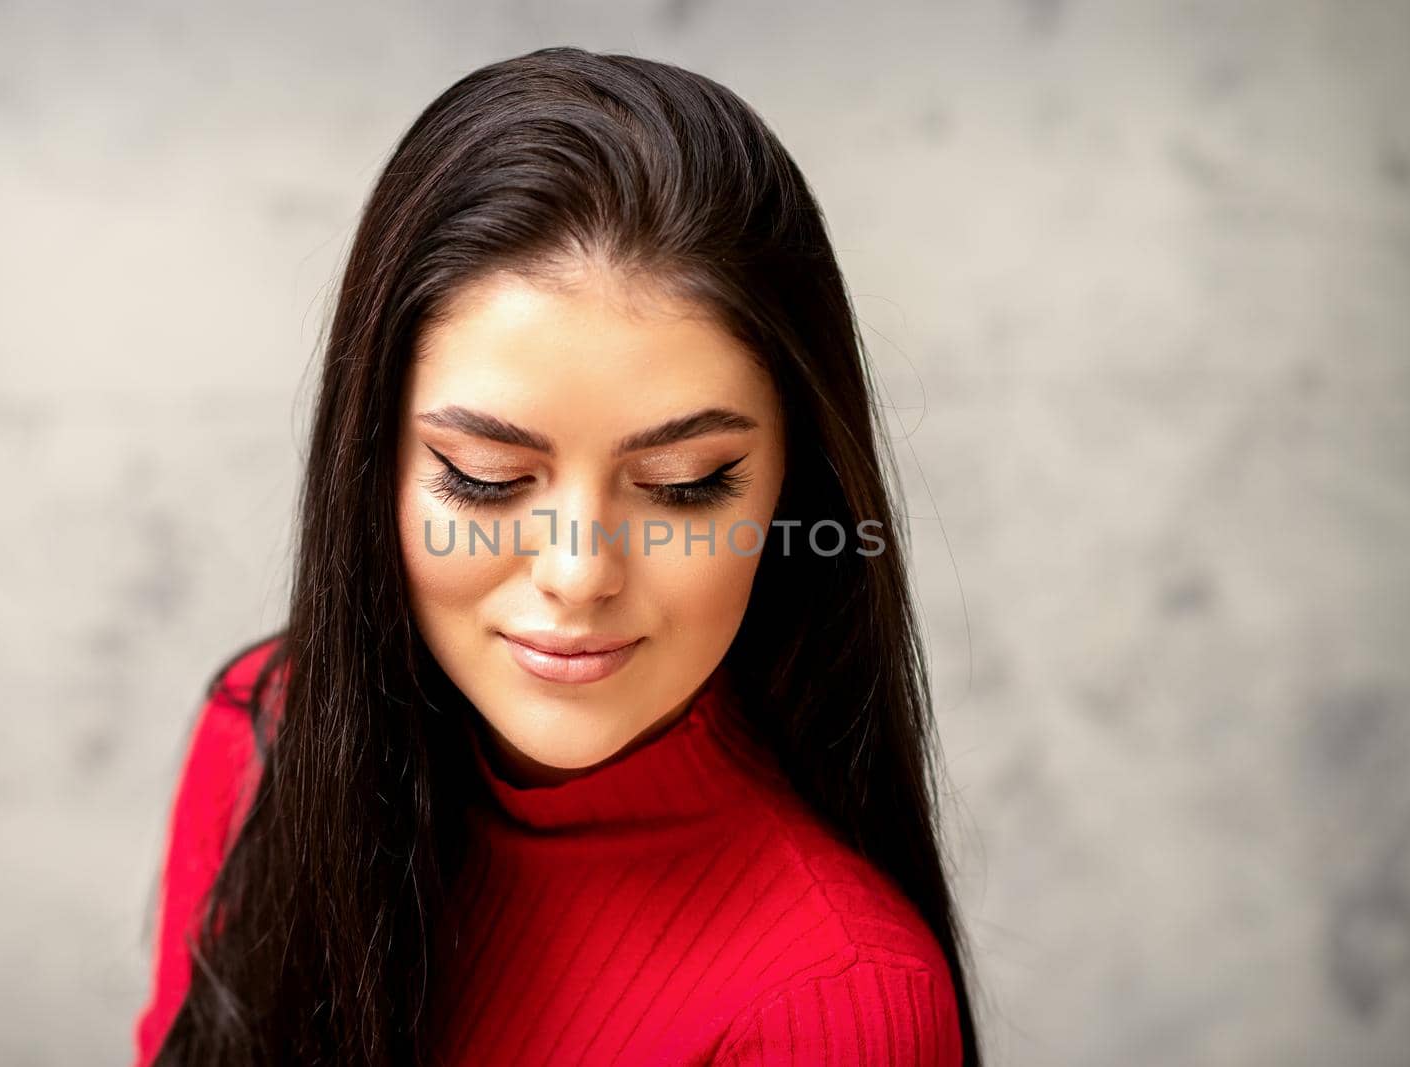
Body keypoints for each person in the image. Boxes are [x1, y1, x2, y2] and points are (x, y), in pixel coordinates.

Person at [134, 45, 983, 1067]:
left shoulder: (839, 1000)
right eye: (486, 477)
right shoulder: (264, 732)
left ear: (790, 491)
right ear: (373, 467)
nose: (579, 572)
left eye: (683, 484)